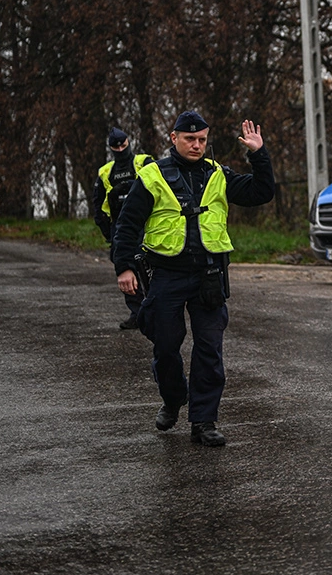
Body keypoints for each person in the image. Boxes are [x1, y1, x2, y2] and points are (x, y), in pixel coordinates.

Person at [113, 112, 274, 447]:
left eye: (202, 139)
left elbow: (261, 192)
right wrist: (124, 267)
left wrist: (258, 154)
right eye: (190, 139)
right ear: (174, 138)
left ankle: (204, 421)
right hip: (166, 274)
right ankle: (174, 398)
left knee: (209, 349)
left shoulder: (218, 174)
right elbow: (127, 224)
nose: (197, 145)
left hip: (209, 275)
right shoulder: (153, 175)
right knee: (165, 346)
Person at [93, 127, 155, 329]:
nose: (120, 149)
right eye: (116, 147)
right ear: (110, 148)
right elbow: (98, 205)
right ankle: (137, 313)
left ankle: (155, 311)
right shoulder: (105, 172)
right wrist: (108, 232)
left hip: (147, 226)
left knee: (151, 270)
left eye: (123, 145)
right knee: (126, 270)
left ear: (129, 142)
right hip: (120, 228)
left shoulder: (144, 162)